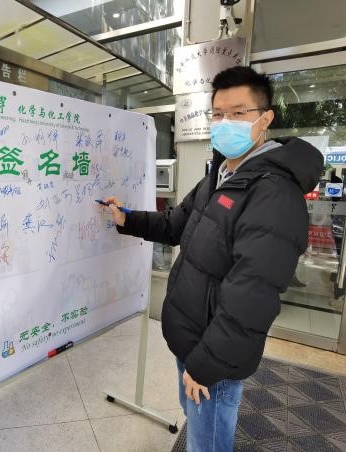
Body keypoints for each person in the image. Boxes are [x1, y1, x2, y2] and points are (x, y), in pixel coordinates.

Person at [103, 66, 323, 451]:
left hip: (215, 356)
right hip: (194, 340)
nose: (224, 123)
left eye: (238, 113)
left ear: (265, 119)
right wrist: (128, 219)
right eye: (218, 113)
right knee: (200, 427)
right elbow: (176, 224)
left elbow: (253, 295)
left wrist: (205, 365)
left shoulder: (274, 195)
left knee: (207, 443)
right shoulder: (219, 176)